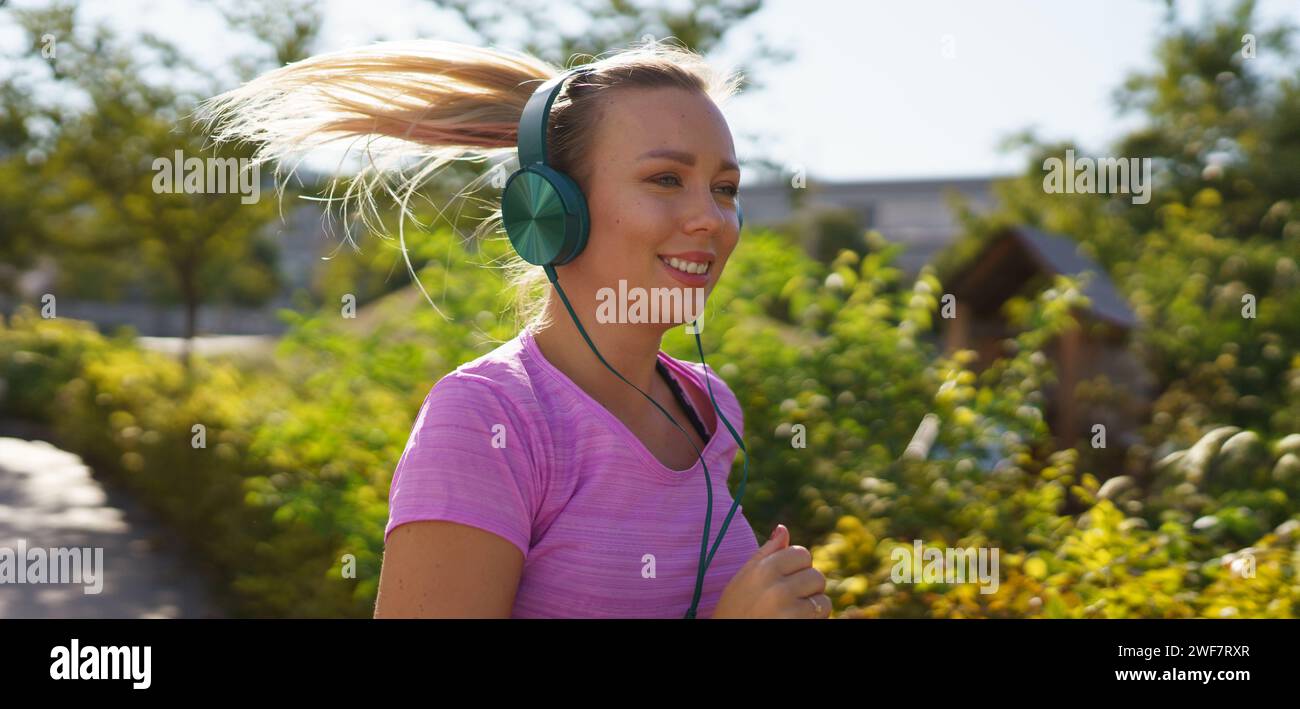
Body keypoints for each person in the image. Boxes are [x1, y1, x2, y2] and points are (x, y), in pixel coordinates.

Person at [202, 37, 830, 619]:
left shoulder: (709, 405)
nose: (711, 219)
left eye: (724, 188)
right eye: (666, 179)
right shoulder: (488, 417)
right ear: (551, 210)